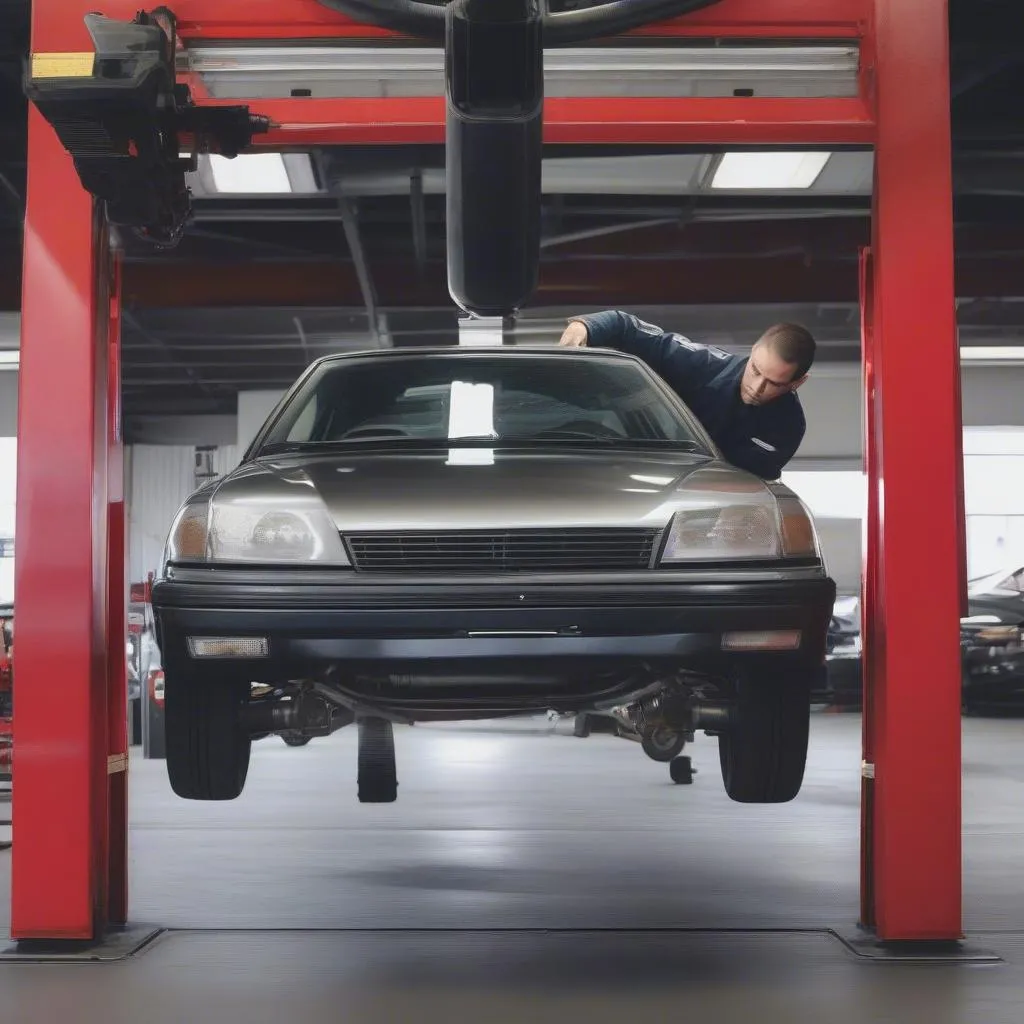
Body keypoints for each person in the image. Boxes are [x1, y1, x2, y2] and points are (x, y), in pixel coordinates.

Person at [558, 310, 816, 480]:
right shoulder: (702, 364)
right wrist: (585, 327)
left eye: (773, 383)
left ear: (798, 383)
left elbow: (749, 483)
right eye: (755, 370)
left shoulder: (788, 428)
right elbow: (627, 328)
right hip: (628, 467)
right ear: (753, 350)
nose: (757, 387)